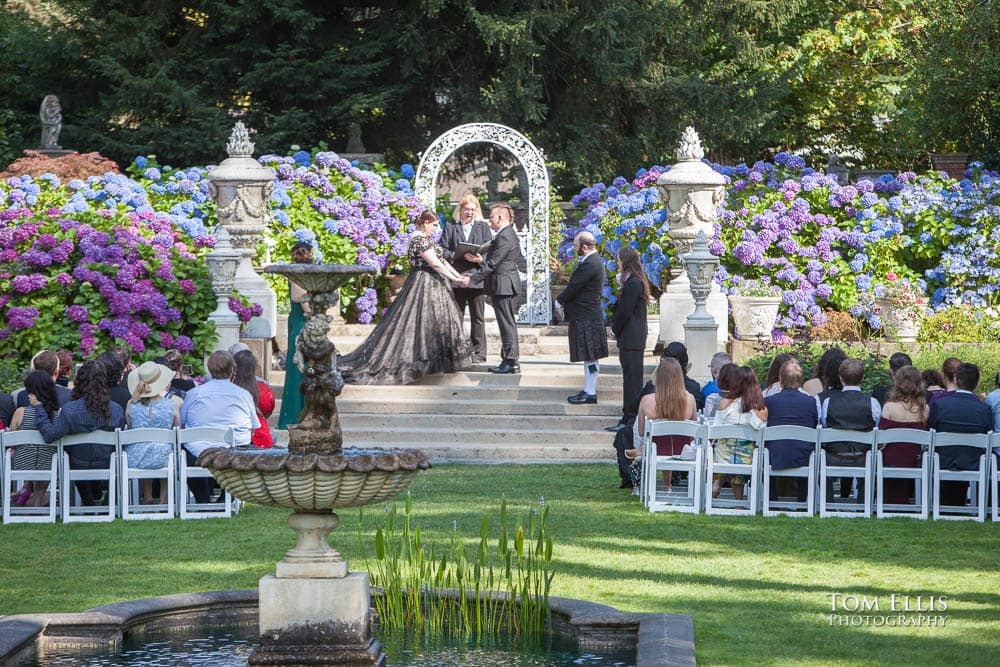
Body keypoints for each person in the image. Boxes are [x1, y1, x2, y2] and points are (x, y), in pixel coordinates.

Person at [339, 210, 473, 384]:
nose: (436, 228)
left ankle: (433, 362)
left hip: (435, 284)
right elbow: (434, 264)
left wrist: (457, 276)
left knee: (434, 323)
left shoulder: (427, 240)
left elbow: (443, 261)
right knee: (414, 323)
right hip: (423, 283)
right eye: (434, 224)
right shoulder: (418, 240)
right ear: (424, 223)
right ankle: (415, 363)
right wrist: (456, 279)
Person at [33, 361, 126, 506]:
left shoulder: (70, 410)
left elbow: (50, 435)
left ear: (80, 381)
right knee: (93, 452)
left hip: (77, 463)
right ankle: (100, 500)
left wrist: (39, 408)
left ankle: (88, 501)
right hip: (106, 462)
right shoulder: (116, 410)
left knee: (76, 454)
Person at [180, 351, 260, 503]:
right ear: (232, 370)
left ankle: (203, 497)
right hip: (232, 450)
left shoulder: (194, 393)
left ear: (210, 369)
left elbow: (183, 423)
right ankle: (225, 497)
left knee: (188, 451)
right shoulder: (243, 394)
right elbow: (253, 427)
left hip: (199, 450)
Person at [625, 357, 697, 492]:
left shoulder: (646, 401)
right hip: (683, 451)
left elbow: (640, 432)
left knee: (655, 441)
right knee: (670, 439)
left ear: (658, 376)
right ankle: (666, 485)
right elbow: (694, 430)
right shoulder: (690, 399)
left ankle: (640, 454)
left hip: (655, 450)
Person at [467, 203, 523, 374]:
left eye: (491, 217)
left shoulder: (505, 235)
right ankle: (509, 359)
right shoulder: (505, 234)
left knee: (506, 324)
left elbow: (494, 264)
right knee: (506, 323)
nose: (489, 221)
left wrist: (471, 279)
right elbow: (497, 262)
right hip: (503, 284)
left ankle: (511, 361)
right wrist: (480, 262)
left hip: (504, 285)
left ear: (500, 218)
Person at [927, 362, 992, 507]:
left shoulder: (940, 405)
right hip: (973, 461)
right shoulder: (983, 409)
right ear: (976, 383)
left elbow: (931, 431)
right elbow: (988, 435)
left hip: (943, 460)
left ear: (955, 379)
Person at [556, 231, 608, 404]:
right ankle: (588, 389)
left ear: (584, 247)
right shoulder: (591, 261)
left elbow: (574, 287)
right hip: (586, 316)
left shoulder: (591, 263)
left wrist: (559, 301)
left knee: (591, 356)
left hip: (588, 316)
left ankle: (590, 392)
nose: (574, 248)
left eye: (576, 245)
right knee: (589, 356)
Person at [440, 194, 492, 364]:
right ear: (460, 210)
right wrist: (456, 254)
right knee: (456, 316)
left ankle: (479, 353)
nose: (469, 212)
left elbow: (490, 250)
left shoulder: (483, 227)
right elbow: (443, 249)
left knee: (478, 317)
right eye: (466, 209)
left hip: (476, 278)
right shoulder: (450, 226)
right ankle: (456, 351)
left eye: (472, 209)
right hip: (457, 277)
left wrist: (479, 259)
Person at [820, 358, 881, 503]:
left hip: (833, 457)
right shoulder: (873, 403)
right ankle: (864, 502)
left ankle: (827, 503)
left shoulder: (828, 403)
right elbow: (877, 429)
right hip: (862, 458)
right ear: (862, 377)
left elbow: (824, 426)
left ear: (841, 378)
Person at [124, 361, 181, 505]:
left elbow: (131, 428)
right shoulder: (172, 404)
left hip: (136, 458)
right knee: (163, 448)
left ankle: (148, 496)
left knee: (145, 445)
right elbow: (177, 430)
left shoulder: (131, 405)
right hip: (165, 458)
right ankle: (164, 499)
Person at [606, 247, 650, 432]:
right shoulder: (634, 282)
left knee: (632, 380)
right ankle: (628, 415)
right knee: (630, 378)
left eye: (619, 260)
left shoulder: (633, 283)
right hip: (632, 337)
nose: (617, 264)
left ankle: (631, 418)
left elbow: (625, 310)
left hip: (632, 337)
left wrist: (615, 328)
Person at [764, 360, 820, 502]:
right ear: (800, 380)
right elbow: (814, 425)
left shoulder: (769, 401)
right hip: (803, 456)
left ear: (780, 380)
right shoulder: (811, 402)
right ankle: (802, 500)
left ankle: (772, 501)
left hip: (775, 454)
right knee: (805, 446)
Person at [711, 366, 768, 500]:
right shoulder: (761, 408)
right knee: (741, 451)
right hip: (748, 459)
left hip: (722, 458)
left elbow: (715, 431)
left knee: (726, 448)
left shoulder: (723, 403)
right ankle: (739, 501)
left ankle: (718, 481)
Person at [878, 366, 929, 505]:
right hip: (914, 459)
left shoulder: (889, 407)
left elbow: (881, 440)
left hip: (890, 460)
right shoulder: (924, 409)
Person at [9, 371, 60, 507]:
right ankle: (37, 501)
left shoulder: (20, 413)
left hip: (20, 465)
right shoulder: (58, 414)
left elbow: (13, 440)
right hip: (49, 465)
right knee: (46, 456)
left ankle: (26, 488)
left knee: (30, 454)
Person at [278, 242, 314, 428]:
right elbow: (304, 305)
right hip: (302, 325)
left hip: (300, 324)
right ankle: (294, 417)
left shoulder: (298, 274)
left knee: (304, 370)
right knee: (297, 371)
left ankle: (305, 414)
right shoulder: (298, 277)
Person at [233, 349, 275, 448]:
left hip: (234, 438)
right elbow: (268, 409)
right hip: (260, 438)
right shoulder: (263, 388)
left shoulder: (229, 388)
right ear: (254, 367)